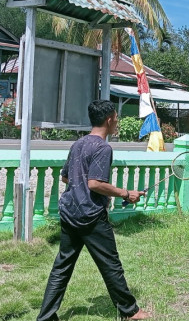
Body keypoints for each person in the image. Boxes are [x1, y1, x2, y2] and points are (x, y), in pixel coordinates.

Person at [37, 100, 151, 321]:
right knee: (111, 263)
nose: (117, 122)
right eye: (116, 118)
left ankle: (45, 317)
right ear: (109, 120)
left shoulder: (78, 144)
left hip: (69, 213)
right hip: (90, 216)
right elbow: (95, 183)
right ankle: (131, 312)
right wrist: (127, 193)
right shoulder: (103, 147)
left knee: (62, 266)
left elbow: (65, 177)